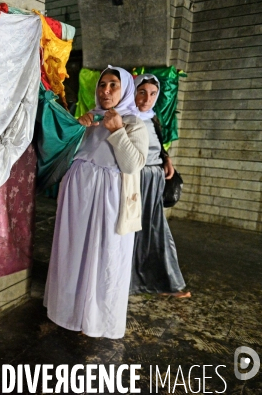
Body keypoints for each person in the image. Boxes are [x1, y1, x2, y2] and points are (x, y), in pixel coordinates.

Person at [44, 66, 148, 339]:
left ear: (125, 89)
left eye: (114, 85)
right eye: (103, 85)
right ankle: (69, 312)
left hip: (109, 202)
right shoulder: (89, 119)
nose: (106, 90)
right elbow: (68, 154)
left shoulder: (134, 123)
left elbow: (133, 164)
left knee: (105, 257)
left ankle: (97, 318)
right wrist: (78, 128)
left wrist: (117, 131)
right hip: (78, 199)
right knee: (74, 252)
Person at [130, 74, 190, 298]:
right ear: (132, 91)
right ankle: (133, 282)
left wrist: (166, 159)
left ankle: (164, 283)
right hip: (136, 180)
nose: (147, 99)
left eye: (153, 94)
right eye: (142, 92)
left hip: (154, 180)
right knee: (134, 230)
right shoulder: (126, 117)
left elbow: (157, 147)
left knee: (156, 231)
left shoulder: (152, 118)